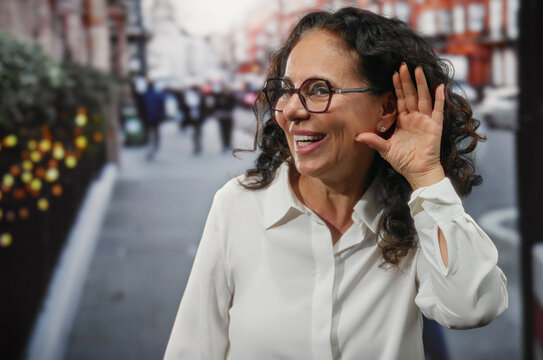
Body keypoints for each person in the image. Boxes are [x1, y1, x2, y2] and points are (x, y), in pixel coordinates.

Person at [165, 7, 507, 360]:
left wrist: (426, 177)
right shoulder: (237, 206)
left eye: (317, 90)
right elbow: (192, 349)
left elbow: (472, 307)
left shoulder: (414, 217)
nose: (291, 110)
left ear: (386, 108)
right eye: (286, 89)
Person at [140, 77, 166, 160]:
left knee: (149, 133)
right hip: (156, 118)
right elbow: (162, 107)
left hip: (148, 118)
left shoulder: (144, 94)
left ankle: (150, 148)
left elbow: (141, 107)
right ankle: (155, 148)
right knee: (155, 133)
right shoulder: (157, 94)